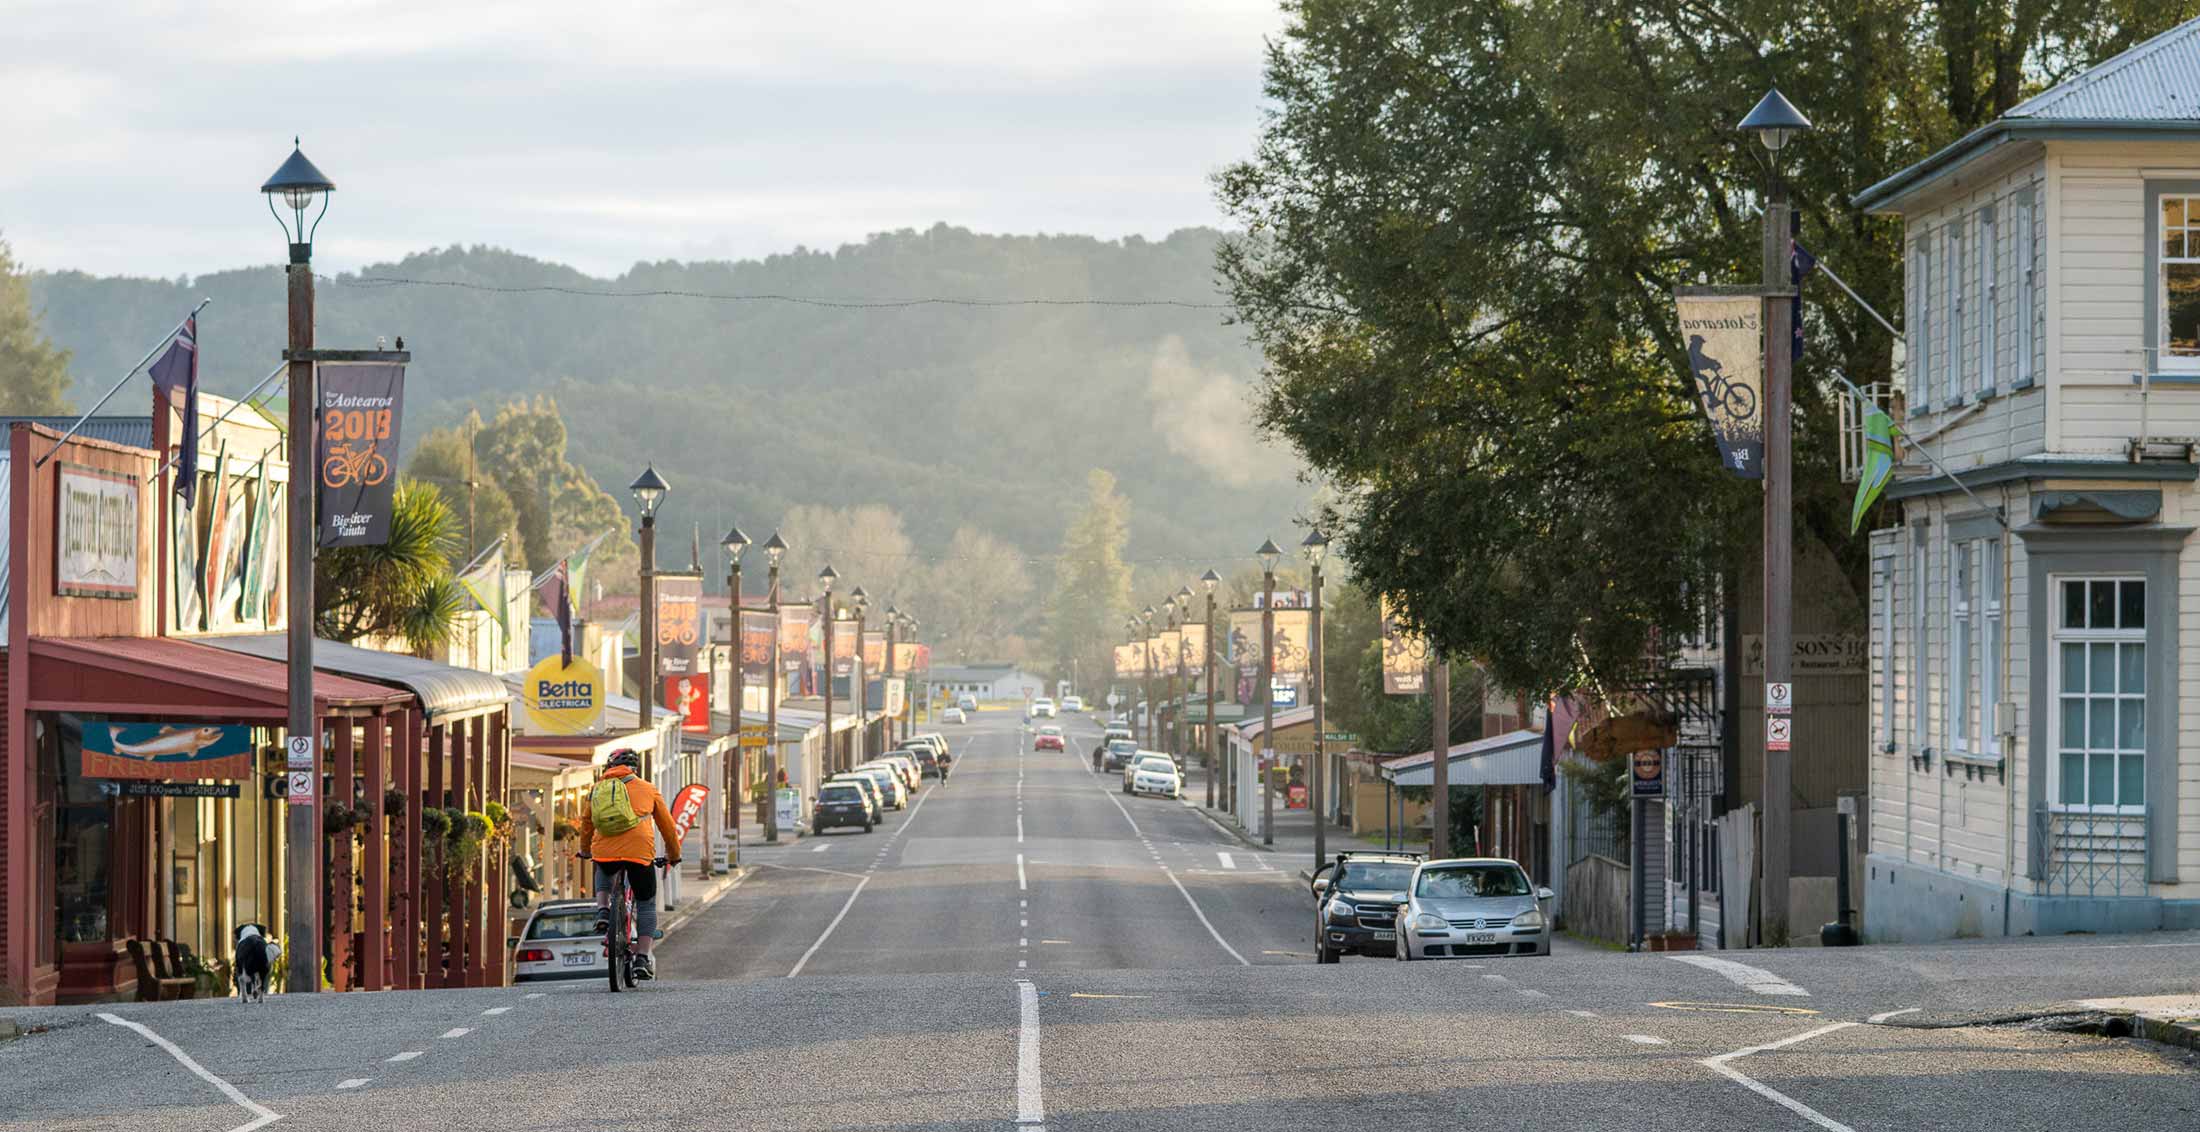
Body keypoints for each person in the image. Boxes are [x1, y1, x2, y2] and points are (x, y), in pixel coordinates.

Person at [578, 750, 682, 980]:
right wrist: (673, 855)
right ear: (635, 769)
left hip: (605, 850)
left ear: (609, 767)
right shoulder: (648, 789)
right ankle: (643, 959)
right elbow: (667, 826)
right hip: (639, 852)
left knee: (602, 865)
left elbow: (587, 823)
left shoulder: (597, 788)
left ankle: (603, 911)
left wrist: (585, 850)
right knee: (645, 903)